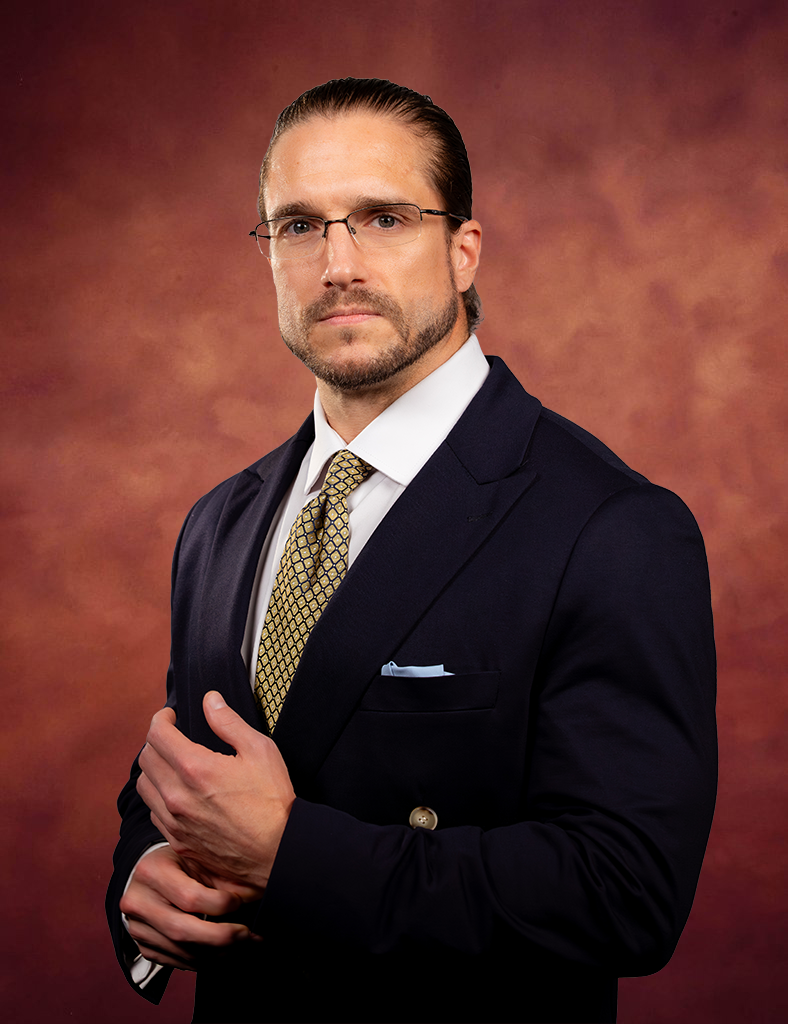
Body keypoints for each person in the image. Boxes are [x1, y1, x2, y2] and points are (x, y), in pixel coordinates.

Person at [106, 78, 717, 1024]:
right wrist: (143, 875)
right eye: (299, 226)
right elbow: (187, 781)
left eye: (383, 217)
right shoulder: (219, 521)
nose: (337, 263)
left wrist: (292, 856)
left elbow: (625, 893)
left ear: (463, 250)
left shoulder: (612, 528)